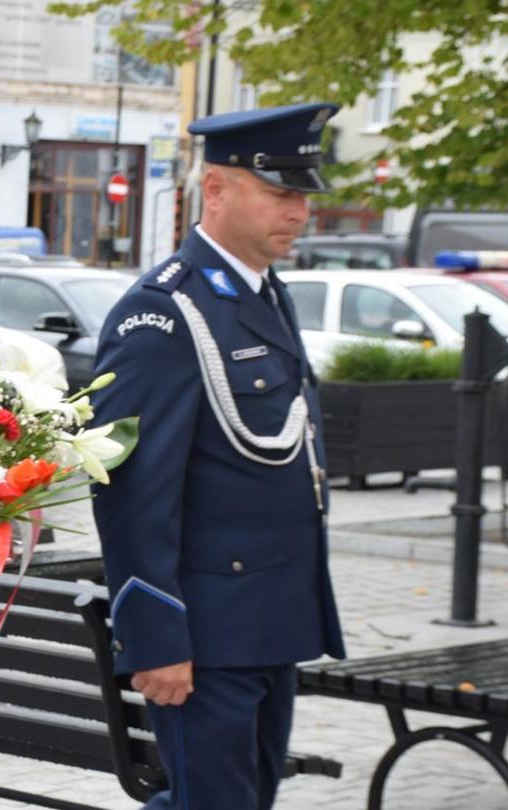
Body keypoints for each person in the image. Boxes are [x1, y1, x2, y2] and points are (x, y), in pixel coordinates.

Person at [90, 102, 349, 810]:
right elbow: (133, 490)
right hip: (204, 635)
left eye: (302, 195)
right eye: (278, 191)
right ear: (216, 189)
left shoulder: (264, 293)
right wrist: (155, 637)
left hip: (268, 622)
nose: (297, 211)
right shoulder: (165, 312)